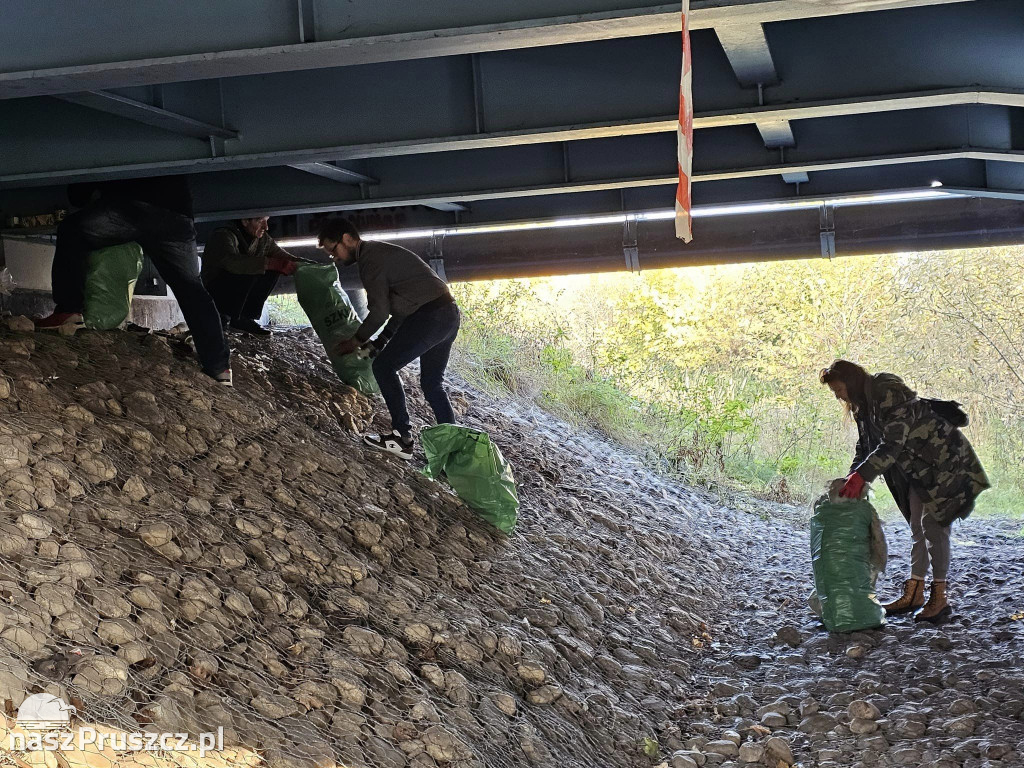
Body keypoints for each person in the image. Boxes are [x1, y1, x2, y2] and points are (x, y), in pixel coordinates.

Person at [820, 360, 989, 623]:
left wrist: (862, 476)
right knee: (917, 528)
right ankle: (915, 593)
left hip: (943, 461)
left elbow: (892, 443)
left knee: (934, 526)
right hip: (917, 469)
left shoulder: (886, 391)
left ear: (850, 382)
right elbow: (866, 445)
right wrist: (851, 476)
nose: (838, 396)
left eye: (838, 389)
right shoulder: (863, 406)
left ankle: (940, 599)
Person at [36, 176, 232, 385]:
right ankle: (219, 368)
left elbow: (79, 195)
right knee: (191, 288)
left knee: (72, 230)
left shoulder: (97, 143)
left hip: (129, 209)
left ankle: (68, 311)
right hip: (177, 217)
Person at [316, 217, 460, 460]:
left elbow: (381, 311)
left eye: (334, 250)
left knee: (384, 367)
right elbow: (402, 308)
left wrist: (356, 340)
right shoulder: (380, 253)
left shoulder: (371, 261)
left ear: (348, 239)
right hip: (448, 315)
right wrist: (379, 342)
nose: (335, 258)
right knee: (432, 383)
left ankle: (401, 438)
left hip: (430, 316)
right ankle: (455, 449)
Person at [201, 216, 297, 335]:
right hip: (216, 289)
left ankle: (244, 318)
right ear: (245, 221)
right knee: (257, 268)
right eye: (260, 221)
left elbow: (286, 258)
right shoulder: (223, 235)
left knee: (272, 269)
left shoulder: (263, 240)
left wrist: (314, 267)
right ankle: (222, 315)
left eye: (266, 221)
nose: (266, 227)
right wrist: (268, 263)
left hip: (236, 287)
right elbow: (231, 263)